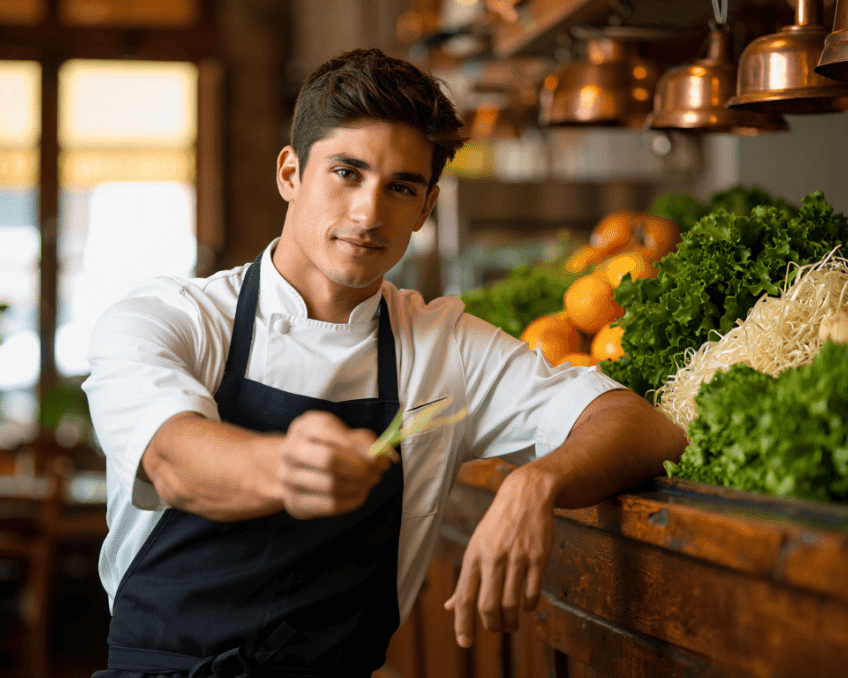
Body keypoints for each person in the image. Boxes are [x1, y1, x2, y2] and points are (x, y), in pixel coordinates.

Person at [84, 48, 687, 678]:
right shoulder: (169, 319)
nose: (369, 213)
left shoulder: (443, 350)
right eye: (347, 172)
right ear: (290, 173)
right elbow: (173, 461)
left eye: (400, 187)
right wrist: (286, 468)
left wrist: (538, 483)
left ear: (425, 209)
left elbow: (641, 424)